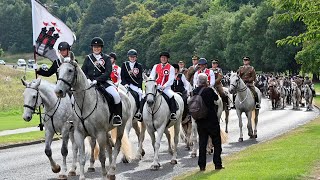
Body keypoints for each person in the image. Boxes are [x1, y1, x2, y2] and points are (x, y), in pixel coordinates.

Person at [82, 37, 122, 126]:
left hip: (104, 82)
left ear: (101, 48)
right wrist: (88, 79)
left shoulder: (106, 58)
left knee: (116, 96)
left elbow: (108, 72)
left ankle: (117, 116)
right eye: (95, 46)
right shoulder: (88, 58)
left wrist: (97, 80)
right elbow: (83, 71)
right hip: (89, 83)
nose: (96, 48)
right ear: (92, 47)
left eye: (98, 46)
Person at [192, 73, 223, 171]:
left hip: (200, 121)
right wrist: (210, 86)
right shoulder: (209, 90)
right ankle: (217, 164)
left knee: (202, 144)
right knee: (217, 143)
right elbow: (217, 98)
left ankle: (202, 166)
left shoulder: (194, 91)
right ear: (206, 81)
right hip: (211, 120)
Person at [149, 51, 178, 120]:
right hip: (156, 86)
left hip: (166, 88)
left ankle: (173, 113)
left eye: (165, 58)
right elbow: (152, 76)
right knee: (145, 95)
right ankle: (141, 112)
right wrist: (153, 83)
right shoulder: (156, 66)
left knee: (171, 96)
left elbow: (171, 79)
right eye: (162, 57)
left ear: (167, 59)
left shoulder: (171, 68)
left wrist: (164, 86)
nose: (163, 59)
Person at [120, 49, 144, 121]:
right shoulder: (124, 64)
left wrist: (139, 87)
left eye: (133, 57)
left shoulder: (139, 66)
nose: (132, 58)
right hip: (126, 84)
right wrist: (125, 84)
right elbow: (122, 76)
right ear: (128, 57)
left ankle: (139, 112)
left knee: (141, 95)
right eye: (131, 57)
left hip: (135, 85)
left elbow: (140, 78)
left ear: (136, 57)